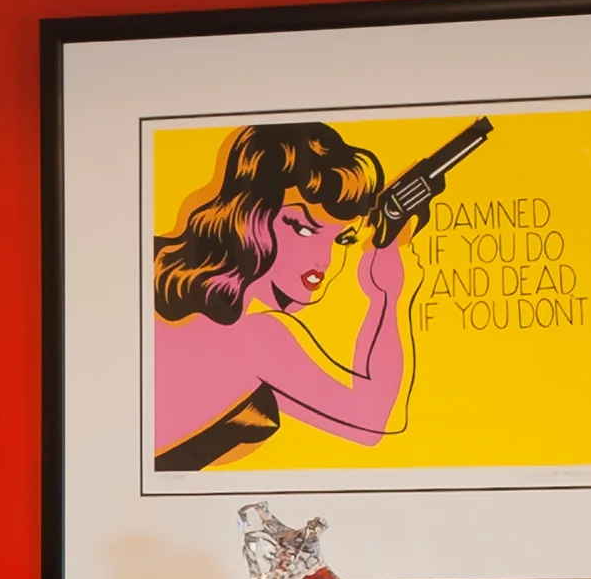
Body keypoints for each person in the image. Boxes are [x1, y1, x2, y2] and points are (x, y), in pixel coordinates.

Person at [147, 122, 411, 470]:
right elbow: (373, 422)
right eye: (302, 228)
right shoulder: (255, 341)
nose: (324, 260)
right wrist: (389, 295)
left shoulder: (143, 266)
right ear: (250, 215)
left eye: (340, 239)